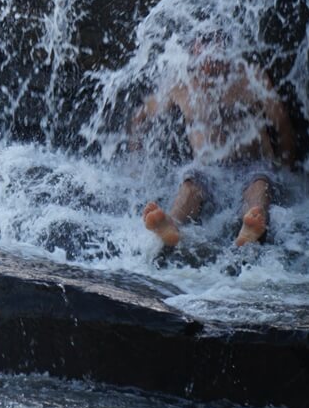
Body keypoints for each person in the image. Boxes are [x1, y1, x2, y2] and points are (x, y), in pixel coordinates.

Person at [127, 35, 297, 248]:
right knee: (190, 186)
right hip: (209, 170)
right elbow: (140, 117)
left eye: (218, 46)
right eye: (205, 47)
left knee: (258, 188)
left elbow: (281, 124)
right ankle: (171, 223)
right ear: (194, 53)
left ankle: (252, 226)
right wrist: (136, 163)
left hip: (252, 165)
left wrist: (286, 172)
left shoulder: (250, 77)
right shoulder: (181, 85)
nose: (213, 57)